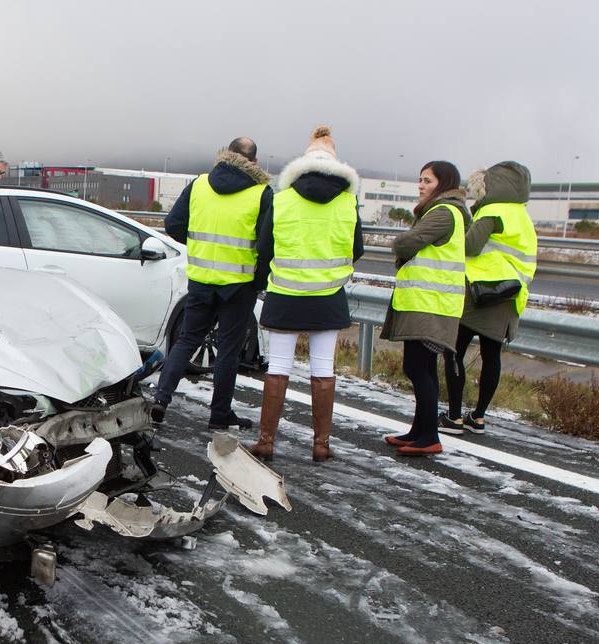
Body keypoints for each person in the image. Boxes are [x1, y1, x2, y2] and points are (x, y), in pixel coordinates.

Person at [248, 126, 364, 461]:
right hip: (327, 296)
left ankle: (267, 441)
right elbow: (355, 249)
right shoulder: (347, 203)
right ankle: (321, 445)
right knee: (323, 368)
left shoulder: (282, 199)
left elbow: (265, 247)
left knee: (279, 366)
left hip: (285, 293)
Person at [150, 137, 274, 430]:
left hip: (202, 279)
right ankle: (219, 415)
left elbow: (173, 225)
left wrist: (200, 248)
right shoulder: (261, 193)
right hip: (239, 285)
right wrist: (257, 278)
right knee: (228, 351)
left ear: (226, 155)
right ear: (254, 163)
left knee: (186, 341)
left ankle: (160, 400)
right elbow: (268, 244)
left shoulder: (199, 184)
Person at [381, 161, 471, 455]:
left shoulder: (444, 212)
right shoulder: (443, 211)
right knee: (422, 367)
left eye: (428, 181)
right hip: (426, 302)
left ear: (443, 184)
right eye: (420, 179)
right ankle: (419, 430)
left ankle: (429, 436)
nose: (421, 185)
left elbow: (410, 242)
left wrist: (399, 243)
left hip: (431, 304)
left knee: (418, 367)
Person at [441, 161, 537, 436]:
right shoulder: (524, 217)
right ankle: (479, 417)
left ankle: (454, 417)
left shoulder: (493, 211)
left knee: (454, 350)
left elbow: (470, 246)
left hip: (481, 292)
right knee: (491, 356)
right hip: (509, 294)